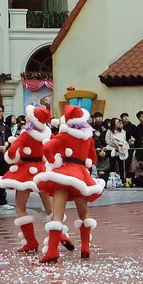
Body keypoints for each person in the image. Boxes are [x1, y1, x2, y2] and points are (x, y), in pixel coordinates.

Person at [34, 106, 105, 262]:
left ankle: (52, 251)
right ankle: (85, 247)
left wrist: (54, 160)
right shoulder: (88, 138)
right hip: (80, 176)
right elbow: (93, 158)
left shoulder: (63, 136)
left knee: (57, 214)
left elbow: (47, 148)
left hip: (63, 176)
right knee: (84, 213)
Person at [0, 106, 54, 252]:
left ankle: (31, 242)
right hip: (42, 170)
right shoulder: (48, 133)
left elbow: (11, 152)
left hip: (25, 172)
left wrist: (12, 157)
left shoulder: (26, 133)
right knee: (50, 208)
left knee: (20, 207)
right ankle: (61, 236)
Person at [104, 119, 130, 183]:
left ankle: (123, 180)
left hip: (120, 150)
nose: (119, 123)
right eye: (117, 122)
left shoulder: (123, 131)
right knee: (111, 166)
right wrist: (114, 145)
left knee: (121, 166)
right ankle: (110, 180)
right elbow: (107, 140)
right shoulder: (109, 131)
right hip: (112, 149)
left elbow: (123, 140)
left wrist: (119, 145)